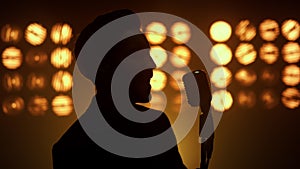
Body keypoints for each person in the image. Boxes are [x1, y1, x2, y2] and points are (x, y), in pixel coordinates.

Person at [52, 9, 187, 169]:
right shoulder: (155, 126)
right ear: (105, 66)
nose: (152, 64)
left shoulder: (69, 146)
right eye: (137, 55)